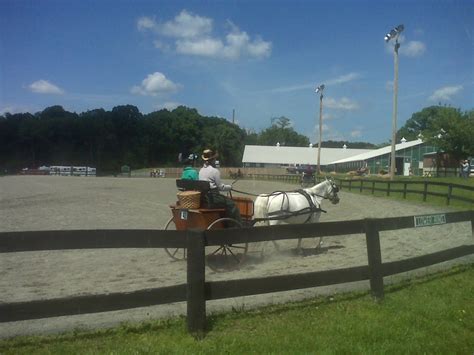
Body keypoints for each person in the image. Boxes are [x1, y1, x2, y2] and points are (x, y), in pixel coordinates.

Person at [198, 149, 242, 223]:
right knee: (232, 204)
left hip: (204, 198)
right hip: (213, 198)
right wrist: (230, 187)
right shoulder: (215, 171)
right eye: (215, 159)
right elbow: (220, 187)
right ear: (212, 159)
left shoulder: (201, 171)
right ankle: (236, 225)